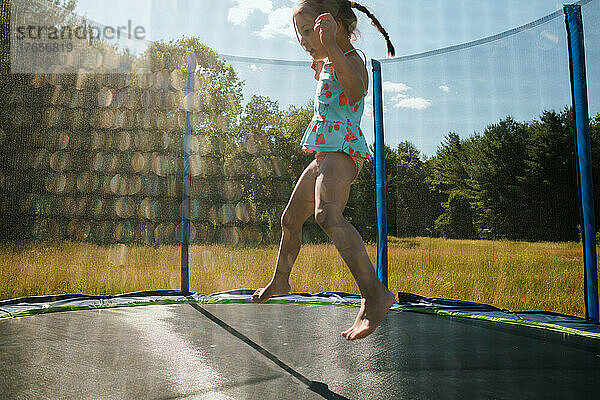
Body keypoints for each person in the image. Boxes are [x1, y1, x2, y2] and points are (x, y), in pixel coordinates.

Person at [252, 0, 396, 341]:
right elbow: (333, 89)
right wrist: (323, 62)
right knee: (290, 218)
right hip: (323, 155)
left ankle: (374, 294)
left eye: (306, 31)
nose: (302, 40)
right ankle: (282, 279)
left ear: (332, 25)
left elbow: (357, 90)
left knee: (327, 215)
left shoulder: (353, 59)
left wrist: (331, 47)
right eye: (299, 33)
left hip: (343, 152)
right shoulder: (331, 61)